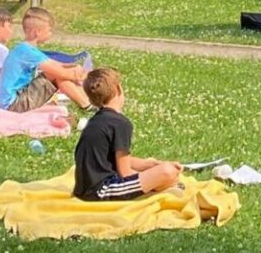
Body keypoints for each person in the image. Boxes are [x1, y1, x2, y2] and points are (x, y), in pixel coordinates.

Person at [73, 68, 182, 200]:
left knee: (161, 170)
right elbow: (125, 173)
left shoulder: (96, 120)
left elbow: (112, 159)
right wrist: (155, 176)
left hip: (83, 189)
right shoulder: (120, 123)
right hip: (102, 191)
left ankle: (163, 184)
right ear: (118, 88)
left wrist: (151, 165)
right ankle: (165, 188)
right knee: (168, 172)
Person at [0, 7, 91, 112]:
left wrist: (75, 68)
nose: (51, 34)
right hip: (12, 106)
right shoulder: (27, 52)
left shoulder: (24, 49)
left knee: (57, 73)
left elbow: (58, 65)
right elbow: (61, 72)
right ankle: (87, 105)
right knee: (56, 75)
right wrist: (80, 74)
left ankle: (87, 102)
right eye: (49, 30)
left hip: (13, 101)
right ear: (37, 32)